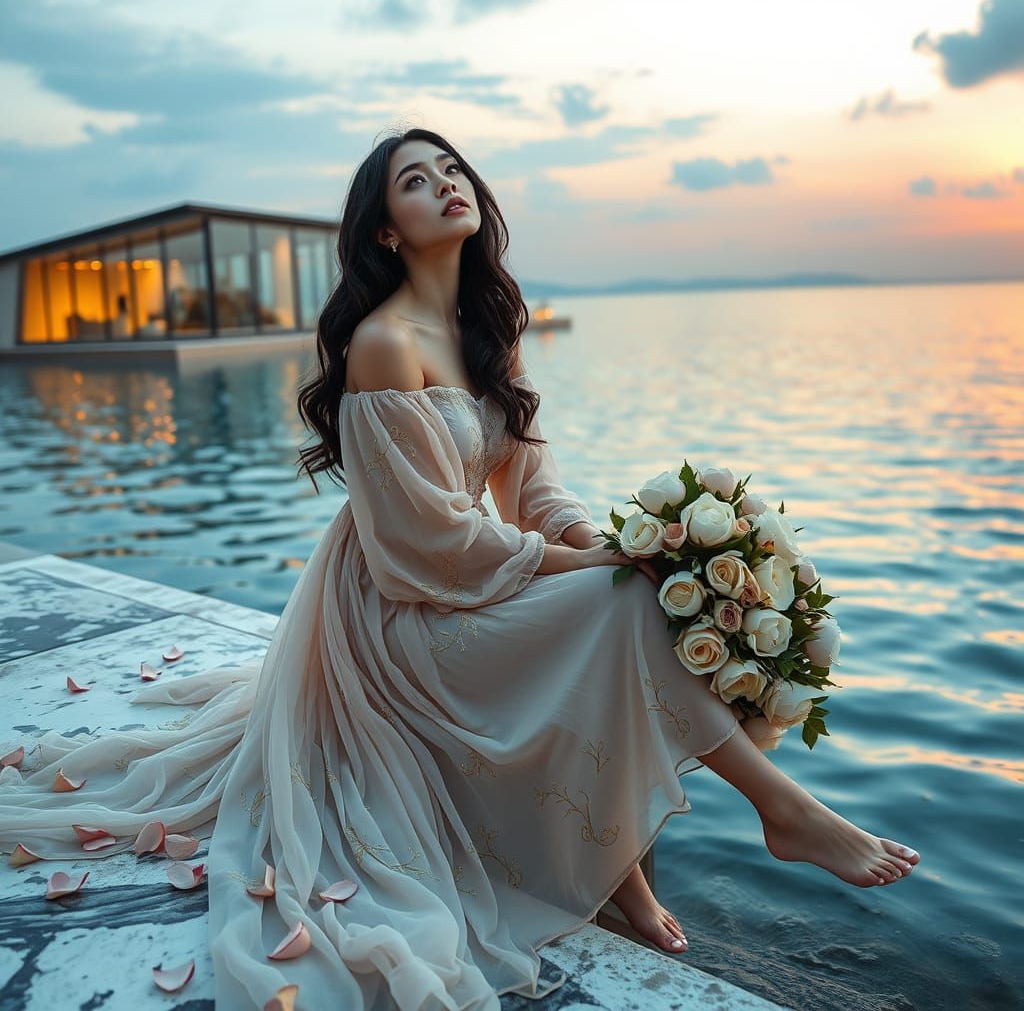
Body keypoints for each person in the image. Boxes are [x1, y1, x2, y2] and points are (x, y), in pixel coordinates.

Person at [0, 128, 920, 1011]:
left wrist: (618, 546)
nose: (446, 183)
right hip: (400, 602)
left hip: (471, 569)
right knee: (617, 609)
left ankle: (627, 864)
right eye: (416, 179)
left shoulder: (488, 330)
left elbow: (533, 486)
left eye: (451, 169)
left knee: (626, 594)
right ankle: (777, 815)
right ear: (385, 232)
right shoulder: (384, 343)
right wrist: (585, 562)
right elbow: (423, 542)